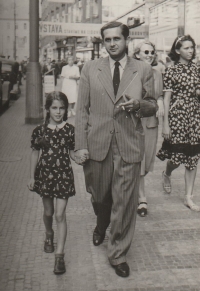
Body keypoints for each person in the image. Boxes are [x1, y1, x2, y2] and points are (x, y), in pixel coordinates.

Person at [74, 21, 158, 278]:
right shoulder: (90, 68)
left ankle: (117, 252)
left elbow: (153, 104)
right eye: (107, 39)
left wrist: (139, 105)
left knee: (124, 202)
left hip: (128, 143)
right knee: (100, 196)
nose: (112, 43)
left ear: (126, 40)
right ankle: (101, 222)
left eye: (116, 39)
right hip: (98, 144)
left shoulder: (142, 69)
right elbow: (81, 110)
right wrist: (80, 145)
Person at [27, 91, 86, 275]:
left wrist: (78, 157)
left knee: (60, 215)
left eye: (61, 108)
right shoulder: (40, 130)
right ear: (47, 109)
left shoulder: (70, 130)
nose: (58, 112)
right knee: (48, 212)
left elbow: (71, 152)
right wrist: (31, 177)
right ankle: (49, 234)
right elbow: (35, 153)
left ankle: (59, 256)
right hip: (45, 176)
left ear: (66, 109)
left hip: (63, 177)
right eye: (54, 108)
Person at [157, 35, 200, 211]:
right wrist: (165, 123)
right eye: (186, 48)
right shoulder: (170, 70)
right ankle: (167, 173)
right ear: (177, 50)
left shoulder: (197, 69)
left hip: (195, 116)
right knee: (176, 158)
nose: (190, 51)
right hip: (177, 116)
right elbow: (166, 99)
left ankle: (188, 197)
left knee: (193, 157)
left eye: (192, 47)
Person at [133, 40, 164, 217]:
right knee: (137, 160)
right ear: (137, 54)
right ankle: (141, 198)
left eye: (152, 52)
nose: (149, 55)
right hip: (134, 121)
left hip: (151, 123)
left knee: (146, 160)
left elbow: (159, 95)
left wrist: (159, 100)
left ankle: (138, 194)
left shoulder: (157, 74)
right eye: (146, 52)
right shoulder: (131, 73)